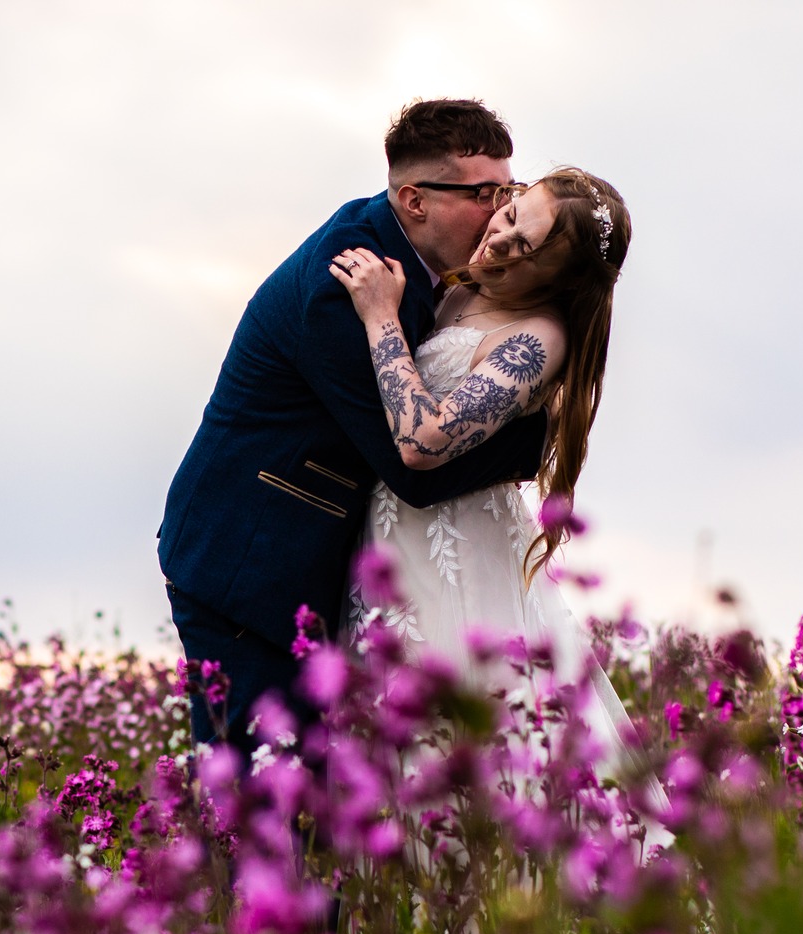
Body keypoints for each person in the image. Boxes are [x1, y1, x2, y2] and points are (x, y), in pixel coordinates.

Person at [157, 99, 545, 758]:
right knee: (265, 792)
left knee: (311, 797)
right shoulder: (348, 279)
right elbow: (411, 468)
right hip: (248, 562)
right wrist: (525, 447)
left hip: (305, 556)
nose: (499, 207)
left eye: (508, 188)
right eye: (483, 192)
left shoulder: (417, 258)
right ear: (415, 200)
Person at [328, 166, 644, 771]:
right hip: (391, 541)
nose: (499, 240)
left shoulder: (538, 338)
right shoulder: (465, 281)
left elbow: (423, 439)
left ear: (561, 279)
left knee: (456, 747)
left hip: (454, 557)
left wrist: (380, 318)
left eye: (525, 249)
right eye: (510, 215)